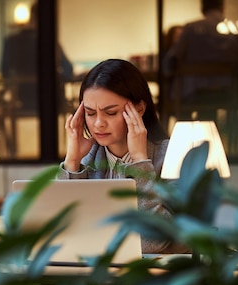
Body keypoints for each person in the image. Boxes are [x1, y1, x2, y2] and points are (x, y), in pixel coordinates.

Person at [57, 58, 180, 254]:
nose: (98, 123)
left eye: (110, 112)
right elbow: (61, 237)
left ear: (139, 108)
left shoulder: (171, 158)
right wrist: (72, 162)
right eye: (90, 113)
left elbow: (153, 243)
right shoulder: (87, 160)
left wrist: (140, 161)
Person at [162, 0, 238, 117]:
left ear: (202, 8)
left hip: (192, 93)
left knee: (181, 95)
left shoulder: (191, 29)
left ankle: (184, 129)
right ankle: (210, 129)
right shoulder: (234, 31)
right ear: (222, 7)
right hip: (224, 93)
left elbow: (171, 60)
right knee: (209, 103)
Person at [0, 2, 74, 113]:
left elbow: (4, 72)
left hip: (22, 99)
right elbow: (68, 70)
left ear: (31, 17)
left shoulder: (11, 41)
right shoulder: (50, 41)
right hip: (52, 100)